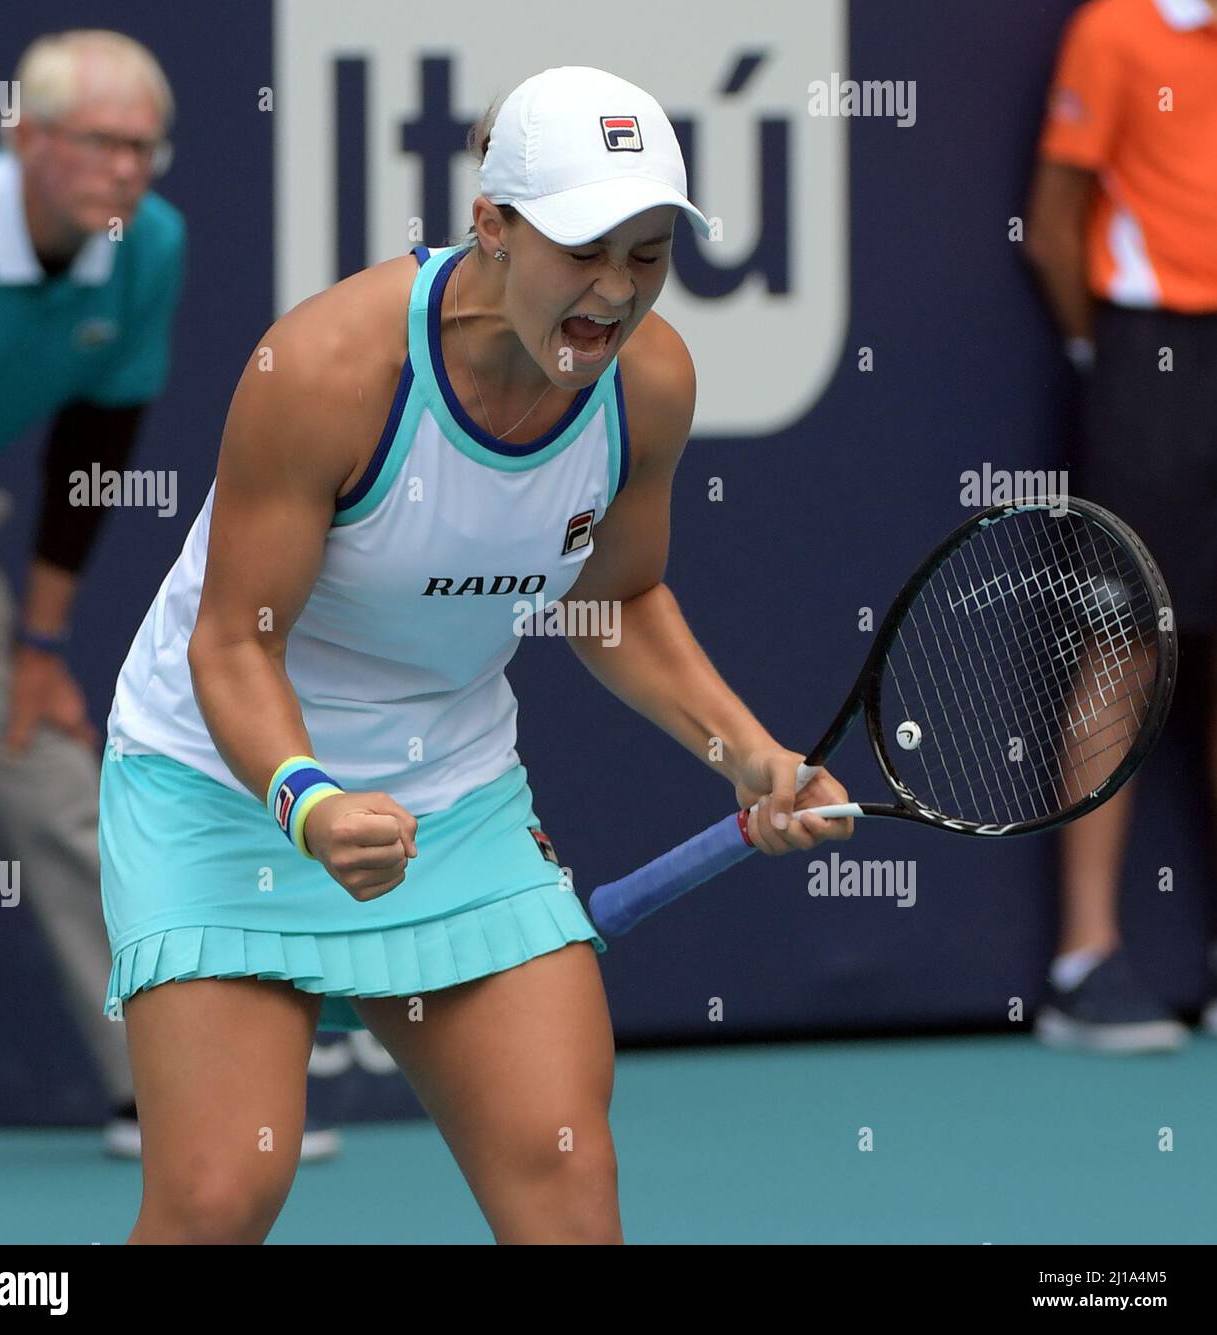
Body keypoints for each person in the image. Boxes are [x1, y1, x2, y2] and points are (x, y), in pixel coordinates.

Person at [100, 65, 854, 1245]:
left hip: (451, 797)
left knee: (564, 1190)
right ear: (490, 226)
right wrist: (308, 803)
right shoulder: (326, 370)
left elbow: (615, 600)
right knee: (216, 1200)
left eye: (648, 256)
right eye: (583, 250)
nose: (614, 293)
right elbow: (233, 646)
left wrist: (747, 754)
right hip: (224, 789)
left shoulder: (647, 385)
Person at [0, 29, 188, 1151]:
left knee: (61, 794)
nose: (126, 171)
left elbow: (93, 441)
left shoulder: (146, 245)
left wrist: (40, 643)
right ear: (24, 139)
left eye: (145, 148)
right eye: (100, 145)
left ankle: (168, 1095)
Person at [1023, 0, 1217, 1051]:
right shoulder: (1117, 29)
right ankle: (1083, 963)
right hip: (1151, 357)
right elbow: (1052, 222)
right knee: (1125, 637)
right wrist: (1109, 365)